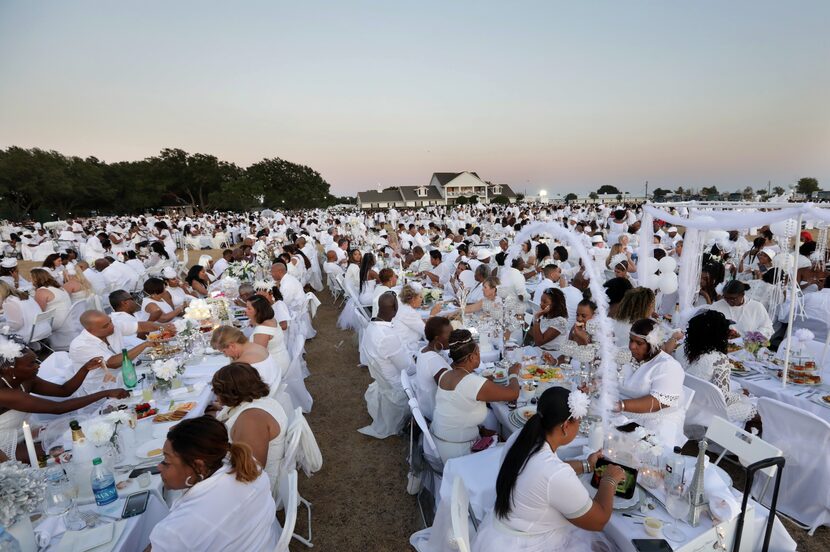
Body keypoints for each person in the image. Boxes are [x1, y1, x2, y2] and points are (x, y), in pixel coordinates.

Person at [473, 387, 620, 552]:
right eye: (579, 422)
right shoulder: (553, 473)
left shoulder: (521, 436)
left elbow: (544, 475)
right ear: (565, 426)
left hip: (504, 531)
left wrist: (587, 465)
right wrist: (610, 479)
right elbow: (598, 521)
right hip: (525, 544)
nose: (579, 426)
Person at [149, 416, 279, 552]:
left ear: (199, 466)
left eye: (166, 461)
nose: (159, 467)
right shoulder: (249, 465)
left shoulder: (176, 529)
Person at [0, 337, 128, 463]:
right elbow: (58, 408)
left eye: (36, 360)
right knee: (63, 452)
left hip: (27, 431)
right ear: (9, 369)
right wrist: (105, 393)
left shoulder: (27, 379)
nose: (38, 365)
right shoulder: (4, 394)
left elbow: (64, 390)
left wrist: (85, 369)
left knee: (85, 433)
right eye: (31, 364)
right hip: (4, 442)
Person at [430, 329, 521, 461]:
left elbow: (457, 408)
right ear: (472, 357)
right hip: (458, 454)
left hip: (441, 443)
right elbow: (513, 394)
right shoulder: (473, 383)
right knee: (514, 450)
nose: (479, 355)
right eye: (478, 352)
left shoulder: (445, 374)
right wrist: (513, 373)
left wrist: (479, 430)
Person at [211, 363, 288, 494]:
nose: (215, 396)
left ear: (231, 392)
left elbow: (250, 472)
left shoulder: (251, 420)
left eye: (217, 391)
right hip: (250, 481)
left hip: (256, 491)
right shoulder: (261, 401)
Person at [616, 318, 686, 447]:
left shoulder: (668, 366)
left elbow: (657, 403)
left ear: (653, 344)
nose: (632, 346)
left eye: (639, 343)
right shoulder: (625, 355)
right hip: (621, 418)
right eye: (631, 340)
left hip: (654, 424)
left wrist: (620, 405)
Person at [684, 310, 757, 425]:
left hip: (689, 403)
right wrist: (741, 396)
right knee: (758, 412)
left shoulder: (684, 351)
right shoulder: (719, 359)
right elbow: (724, 399)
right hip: (708, 409)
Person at [69, 310, 153, 394]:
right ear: (91, 330)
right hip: (104, 391)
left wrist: (163, 327)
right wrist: (144, 345)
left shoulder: (111, 326)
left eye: (110, 321)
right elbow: (113, 363)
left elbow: (140, 326)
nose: (112, 326)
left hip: (127, 378)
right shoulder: (80, 345)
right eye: (106, 326)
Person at [211, 326, 280, 392]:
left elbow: (234, 393)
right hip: (270, 391)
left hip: (259, 398)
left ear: (232, 346)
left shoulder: (241, 365)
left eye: (224, 351)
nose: (225, 355)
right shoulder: (258, 347)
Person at [414, 316, 452, 420]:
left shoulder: (423, 350)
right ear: (437, 338)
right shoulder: (434, 361)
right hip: (437, 413)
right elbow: (452, 392)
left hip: (426, 406)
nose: (453, 337)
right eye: (450, 334)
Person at [710, 280, 774, 340]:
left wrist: (754, 337)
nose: (728, 301)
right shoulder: (717, 306)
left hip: (748, 347)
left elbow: (767, 328)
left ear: (742, 295)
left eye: (732, 298)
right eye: (725, 297)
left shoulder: (756, 307)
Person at [246, 295, 290, 378]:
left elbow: (258, 357)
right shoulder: (271, 319)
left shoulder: (262, 331)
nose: (246, 311)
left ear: (258, 311)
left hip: (274, 368)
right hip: (283, 359)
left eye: (249, 308)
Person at [393, 284, 443, 350]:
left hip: (405, 343)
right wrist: (432, 314)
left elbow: (418, 323)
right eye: (420, 297)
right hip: (407, 349)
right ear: (413, 299)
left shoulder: (403, 307)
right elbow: (427, 331)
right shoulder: (409, 313)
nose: (422, 299)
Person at [529, 287, 568, 352]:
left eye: (544, 302)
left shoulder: (560, 322)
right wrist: (523, 325)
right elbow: (535, 335)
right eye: (541, 301)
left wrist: (537, 317)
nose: (541, 304)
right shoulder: (545, 316)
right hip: (539, 351)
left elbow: (539, 342)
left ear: (555, 304)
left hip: (551, 355)